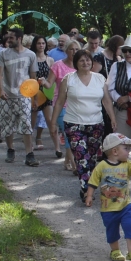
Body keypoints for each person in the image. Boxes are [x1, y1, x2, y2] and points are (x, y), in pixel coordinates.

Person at [52, 49, 117, 202]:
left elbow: (106, 100)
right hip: (74, 123)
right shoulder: (69, 79)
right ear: (76, 63)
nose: (85, 63)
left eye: (88, 60)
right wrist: (54, 122)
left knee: (92, 159)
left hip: (96, 124)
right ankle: (86, 188)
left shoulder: (100, 78)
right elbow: (60, 101)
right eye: (81, 60)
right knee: (82, 157)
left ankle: (88, 185)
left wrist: (112, 118)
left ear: (92, 62)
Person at [86, 133, 131, 261]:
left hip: (125, 205)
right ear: (115, 151)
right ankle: (115, 251)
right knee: (112, 231)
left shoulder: (127, 164)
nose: (129, 152)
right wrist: (89, 195)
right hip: (108, 208)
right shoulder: (102, 166)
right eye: (126, 149)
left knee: (130, 226)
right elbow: (93, 181)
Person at [0, 28, 39, 167]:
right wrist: (1, 91)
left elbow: (33, 78)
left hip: (24, 95)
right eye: (8, 37)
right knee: (7, 124)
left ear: (19, 38)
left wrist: (34, 98)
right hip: (7, 95)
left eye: (11, 38)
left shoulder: (31, 55)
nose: (8, 40)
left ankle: (29, 154)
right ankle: (10, 149)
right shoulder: (3, 54)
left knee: (26, 124)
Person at [30, 33, 62, 157]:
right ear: (35, 44)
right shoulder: (32, 59)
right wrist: (34, 97)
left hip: (47, 94)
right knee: (31, 123)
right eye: (39, 43)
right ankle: (30, 145)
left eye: (43, 43)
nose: (41, 45)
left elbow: (52, 78)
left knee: (50, 121)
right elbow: (31, 79)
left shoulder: (50, 59)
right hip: (34, 93)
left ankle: (57, 147)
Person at [51, 40, 79, 169]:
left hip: (77, 105)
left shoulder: (81, 66)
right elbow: (49, 83)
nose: (74, 52)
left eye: (77, 50)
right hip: (61, 103)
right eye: (71, 49)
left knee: (74, 134)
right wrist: (41, 83)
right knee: (68, 134)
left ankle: (67, 161)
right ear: (66, 51)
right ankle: (74, 165)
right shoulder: (58, 65)